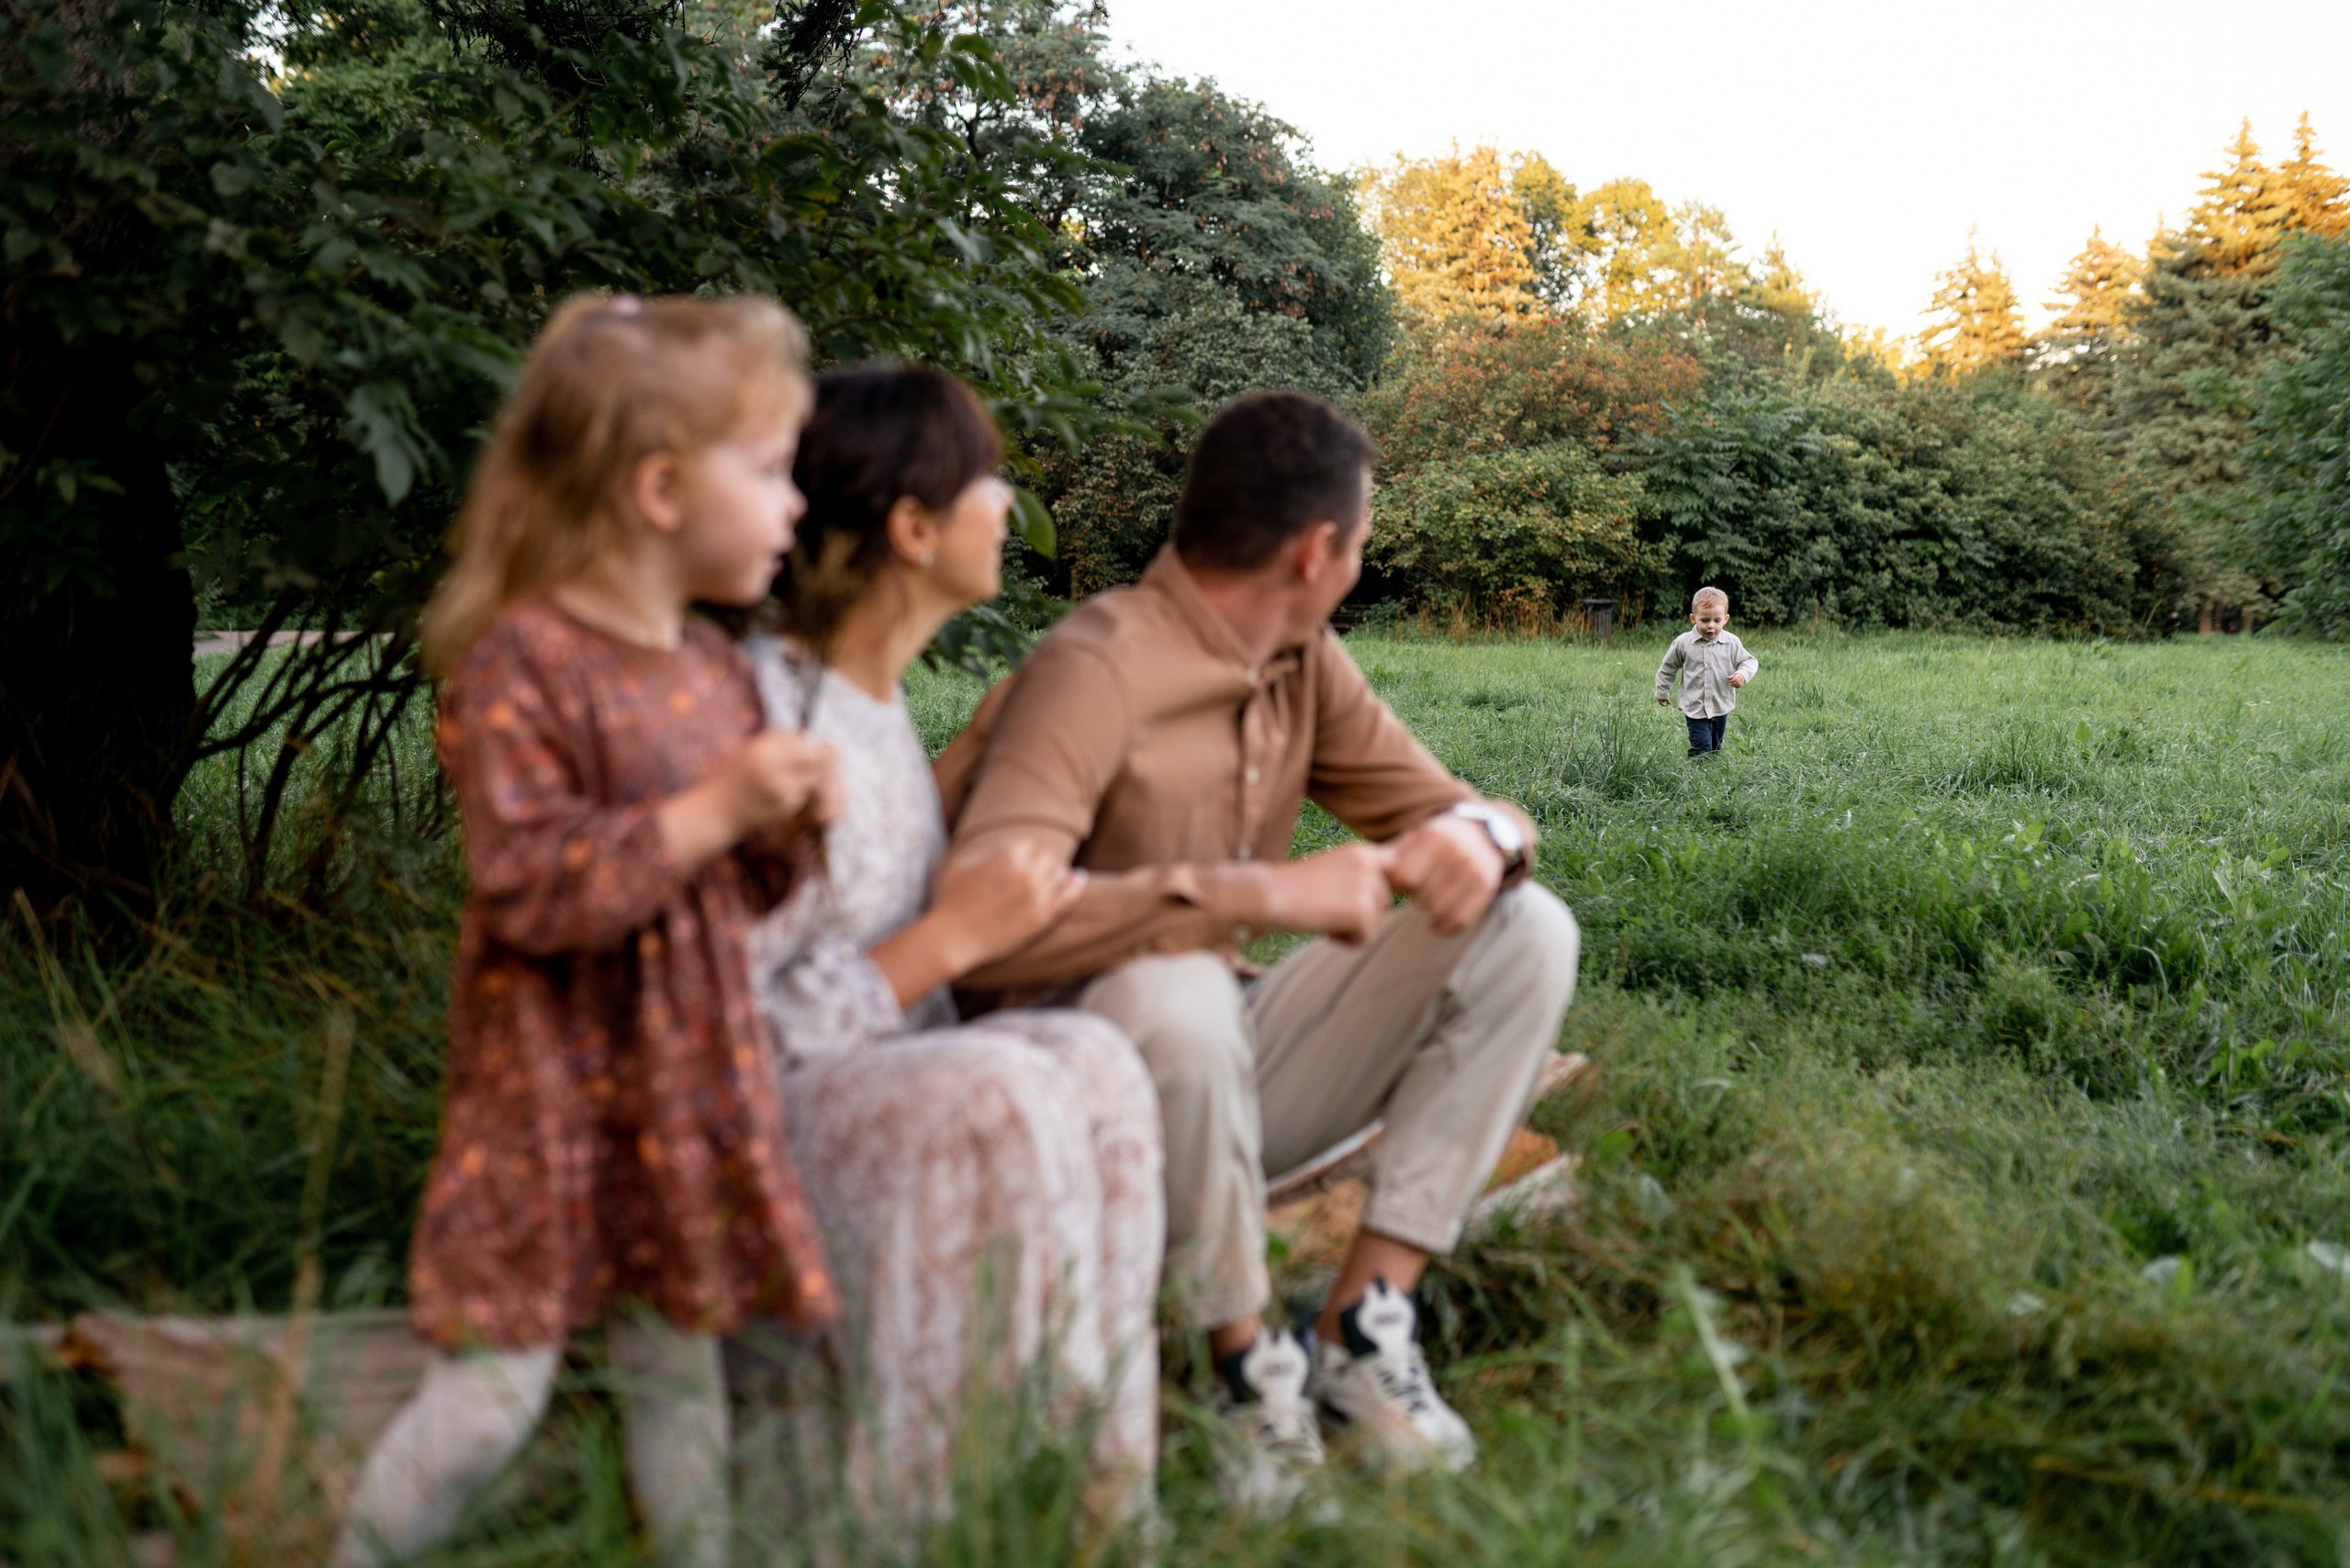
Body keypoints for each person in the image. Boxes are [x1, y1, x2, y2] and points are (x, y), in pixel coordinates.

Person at [934, 391, 1581, 1505]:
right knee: (1175, 983)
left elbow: (1457, 811)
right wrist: (1263, 889)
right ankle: (1243, 1366)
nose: (1359, 562)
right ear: (1317, 548)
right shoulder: (1093, 668)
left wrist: (1484, 835)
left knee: (1524, 926)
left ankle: (1362, 1331)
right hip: (1077, 1100)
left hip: (1230, 1069)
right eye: (1363, 543)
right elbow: (988, 905)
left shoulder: (1300, 661)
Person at [332, 294, 841, 1568]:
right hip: (550, 1098)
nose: (795, 505)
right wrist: (722, 803)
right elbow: (532, 887)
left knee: (682, 1375)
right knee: (491, 1397)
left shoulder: (719, 670)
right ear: (662, 488)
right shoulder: (524, 661)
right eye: (773, 470)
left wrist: (787, 828)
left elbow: (737, 899)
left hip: (684, 1085)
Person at [736, 366, 1164, 1527]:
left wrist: (976, 752)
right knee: (1006, 1079)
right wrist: (948, 940)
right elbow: (727, 1025)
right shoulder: (760, 715)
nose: (1006, 503)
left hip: (877, 1088)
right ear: (913, 527)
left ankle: (1096, 1509)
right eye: (987, 479)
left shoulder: (866, 704)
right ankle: (924, 1515)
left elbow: (857, 883)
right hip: (750, 1147)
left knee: (1101, 1061)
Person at [1655, 586, 1758, 757]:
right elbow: (1668, 667)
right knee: (1702, 748)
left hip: (1720, 704)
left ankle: (1712, 773)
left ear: (1725, 619)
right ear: (1693, 618)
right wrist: (1662, 690)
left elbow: (1749, 661)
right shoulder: (1683, 643)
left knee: (1715, 748)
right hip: (1695, 705)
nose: (1711, 626)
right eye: (1705, 620)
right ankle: (1697, 773)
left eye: (1717, 621)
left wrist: (1742, 675)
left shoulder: (1731, 642)